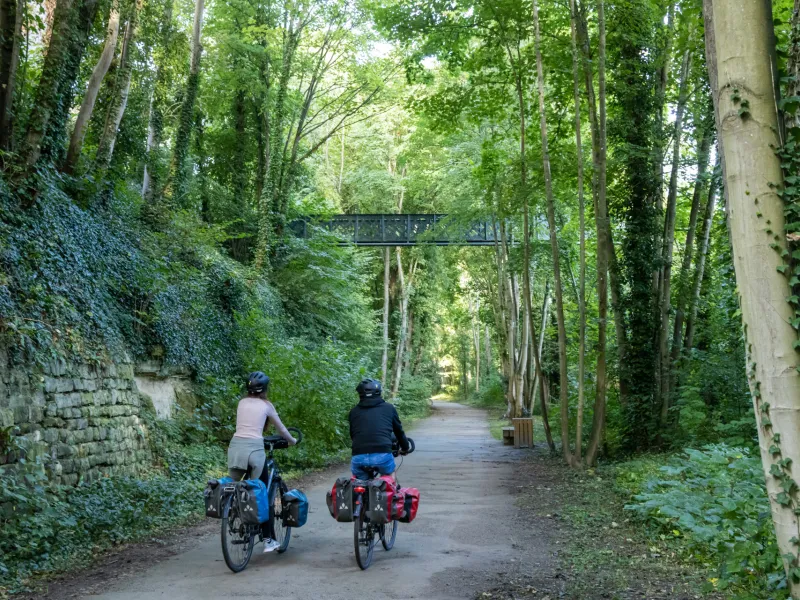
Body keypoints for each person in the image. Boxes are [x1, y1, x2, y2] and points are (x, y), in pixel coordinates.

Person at [227, 371, 296, 553]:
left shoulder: (241, 403)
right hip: (255, 450)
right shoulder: (266, 405)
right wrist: (292, 441)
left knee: (235, 484)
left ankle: (234, 509)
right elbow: (281, 429)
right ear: (265, 389)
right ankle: (267, 539)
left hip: (235, 449)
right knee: (262, 495)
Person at [349, 378, 409, 481]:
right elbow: (398, 431)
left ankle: (359, 496)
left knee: (359, 484)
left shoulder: (353, 412)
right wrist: (405, 447)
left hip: (358, 457)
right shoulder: (389, 408)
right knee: (388, 478)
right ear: (379, 392)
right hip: (382, 455)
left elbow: (353, 435)